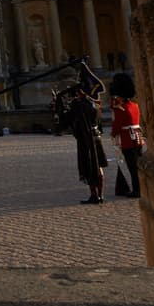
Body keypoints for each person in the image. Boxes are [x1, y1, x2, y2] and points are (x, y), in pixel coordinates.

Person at [62, 61, 107, 204]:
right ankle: (101, 195)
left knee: (88, 166)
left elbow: (65, 120)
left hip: (86, 138)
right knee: (98, 166)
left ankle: (94, 195)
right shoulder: (95, 104)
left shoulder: (78, 105)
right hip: (96, 137)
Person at [109, 72, 144, 197]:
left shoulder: (120, 108)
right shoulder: (134, 105)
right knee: (138, 166)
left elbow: (117, 126)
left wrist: (113, 134)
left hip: (127, 139)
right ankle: (141, 188)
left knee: (132, 167)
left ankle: (137, 190)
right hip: (138, 137)